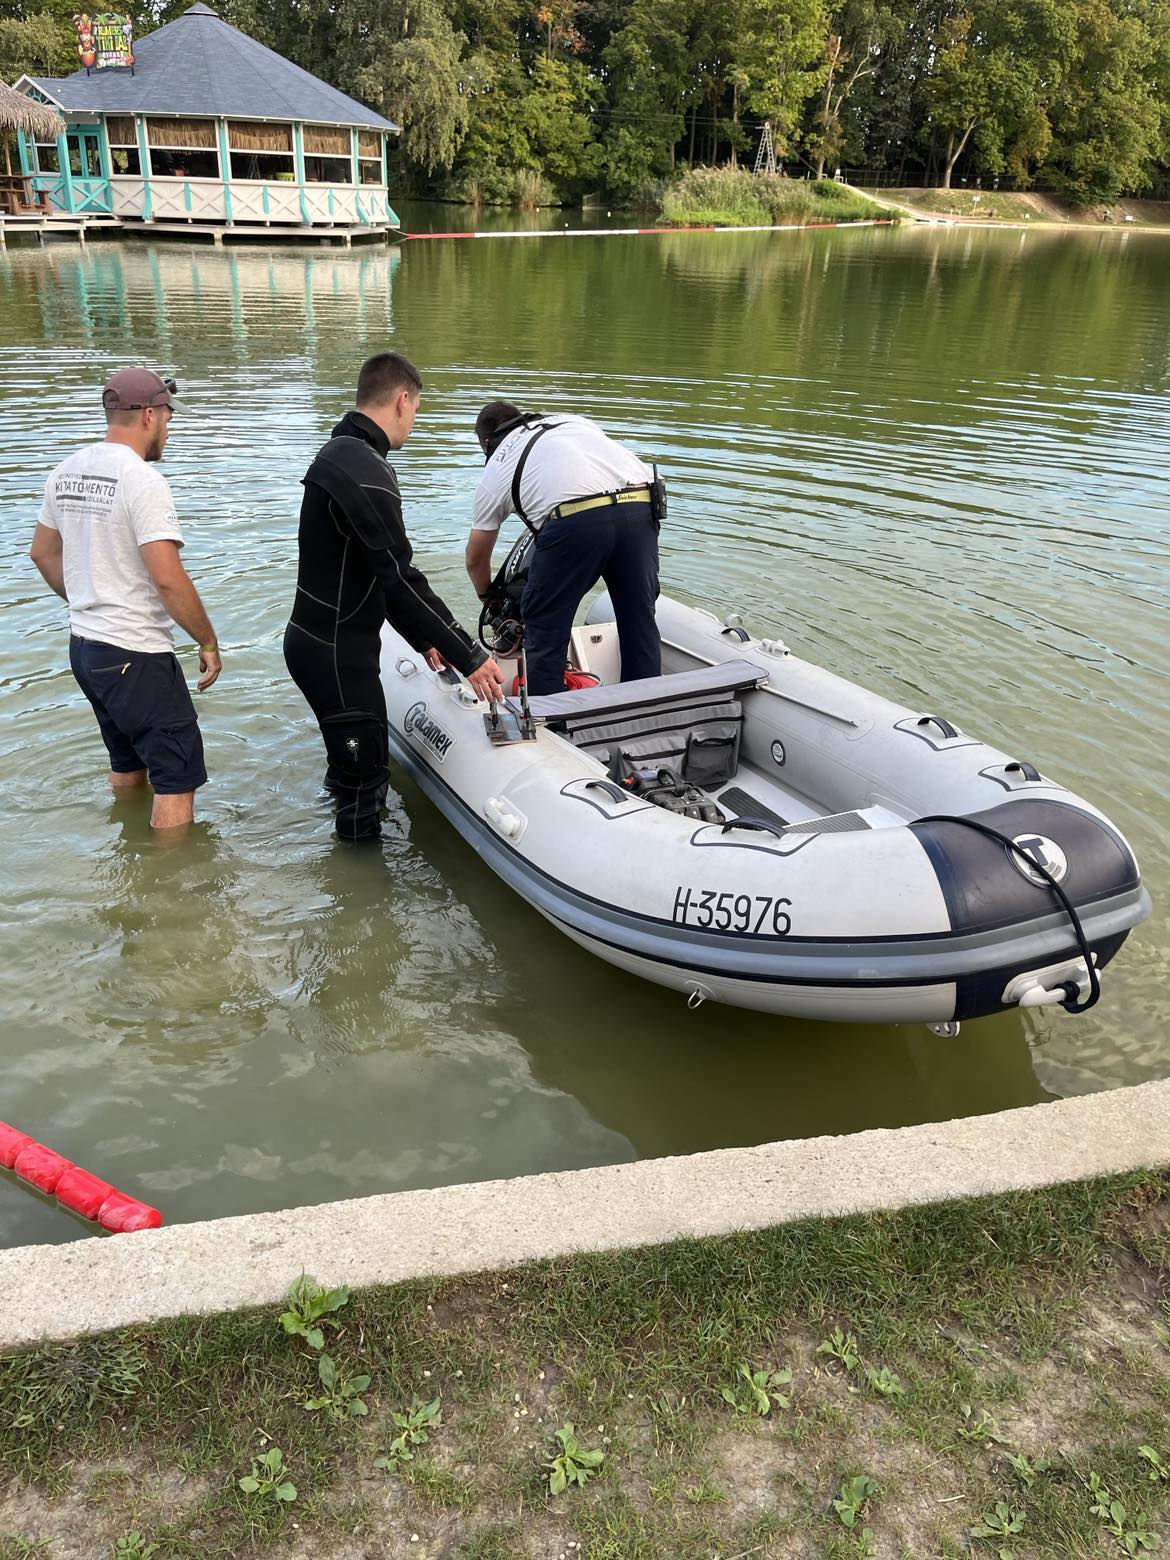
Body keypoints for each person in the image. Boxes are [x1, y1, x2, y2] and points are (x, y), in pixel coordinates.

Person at [285, 352, 503, 842]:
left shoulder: (341, 451)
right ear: (402, 400)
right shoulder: (364, 468)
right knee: (366, 787)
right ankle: (360, 906)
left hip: (319, 642)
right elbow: (400, 578)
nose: (413, 423)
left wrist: (422, 637)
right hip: (337, 654)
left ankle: (338, 831)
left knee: (349, 768)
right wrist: (468, 654)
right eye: (417, 411)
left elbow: (368, 571)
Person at [29, 366, 221, 831]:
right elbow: (169, 579)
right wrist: (208, 642)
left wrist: (85, 598)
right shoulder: (142, 481)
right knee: (176, 778)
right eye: (170, 420)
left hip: (86, 650)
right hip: (136, 654)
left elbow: (41, 553)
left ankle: (128, 843)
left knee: (127, 763)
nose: (169, 431)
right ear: (150, 416)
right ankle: (166, 892)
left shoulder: (67, 470)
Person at [465, 402, 662, 697]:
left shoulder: (499, 461)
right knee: (639, 620)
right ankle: (645, 709)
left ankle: (551, 726)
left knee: (544, 628)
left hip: (576, 521)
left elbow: (476, 557)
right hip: (642, 504)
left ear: (486, 442)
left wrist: (489, 599)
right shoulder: (571, 421)